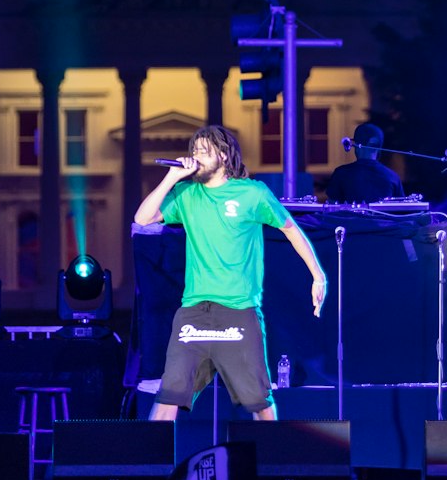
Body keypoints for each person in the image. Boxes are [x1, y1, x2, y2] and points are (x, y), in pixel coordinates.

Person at [134, 126, 326, 423]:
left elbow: (291, 229)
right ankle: (150, 467)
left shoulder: (253, 193)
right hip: (194, 313)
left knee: (259, 401)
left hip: (239, 312)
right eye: (194, 149)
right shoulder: (186, 193)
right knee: (168, 395)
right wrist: (171, 178)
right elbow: (142, 218)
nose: (195, 155)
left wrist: (318, 275)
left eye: (203, 150)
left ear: (223, 155)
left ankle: (275, 465)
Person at [324, 121, 404, 205]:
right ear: (378, 146)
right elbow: (401, 213)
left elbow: (330, 209)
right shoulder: (392, 177)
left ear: (357, 145)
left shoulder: (341, 173)